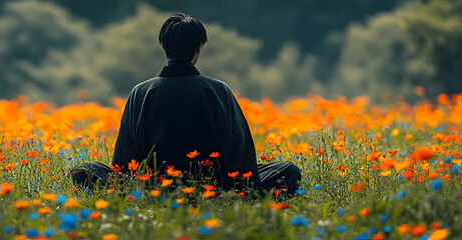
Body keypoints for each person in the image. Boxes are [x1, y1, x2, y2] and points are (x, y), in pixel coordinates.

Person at [71, 12, 301, 196]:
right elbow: (240, 157)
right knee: (288, 171)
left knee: (83, 171)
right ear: (199, 47)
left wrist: (133, 186)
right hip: (215, 187)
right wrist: (240, 187)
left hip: (153, 188)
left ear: (163, 47)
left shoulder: (141, 92)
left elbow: (124, 162)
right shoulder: (218, 90)